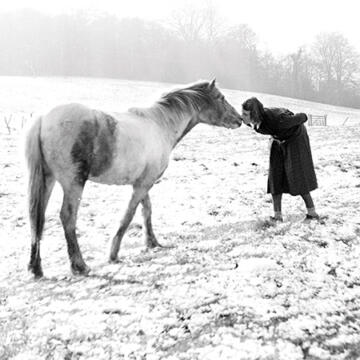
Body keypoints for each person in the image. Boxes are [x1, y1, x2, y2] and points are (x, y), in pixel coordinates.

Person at [242, 97, 321, 222]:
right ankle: (277, 216)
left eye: (245, 114)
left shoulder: (279, 120)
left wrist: (290, 119)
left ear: (254, 113)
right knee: (275, 176)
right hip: (278, 138)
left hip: (295, 138)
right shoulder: (255, 121)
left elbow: (303, 117)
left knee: (297, 175)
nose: (243, 116)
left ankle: (312, 213)